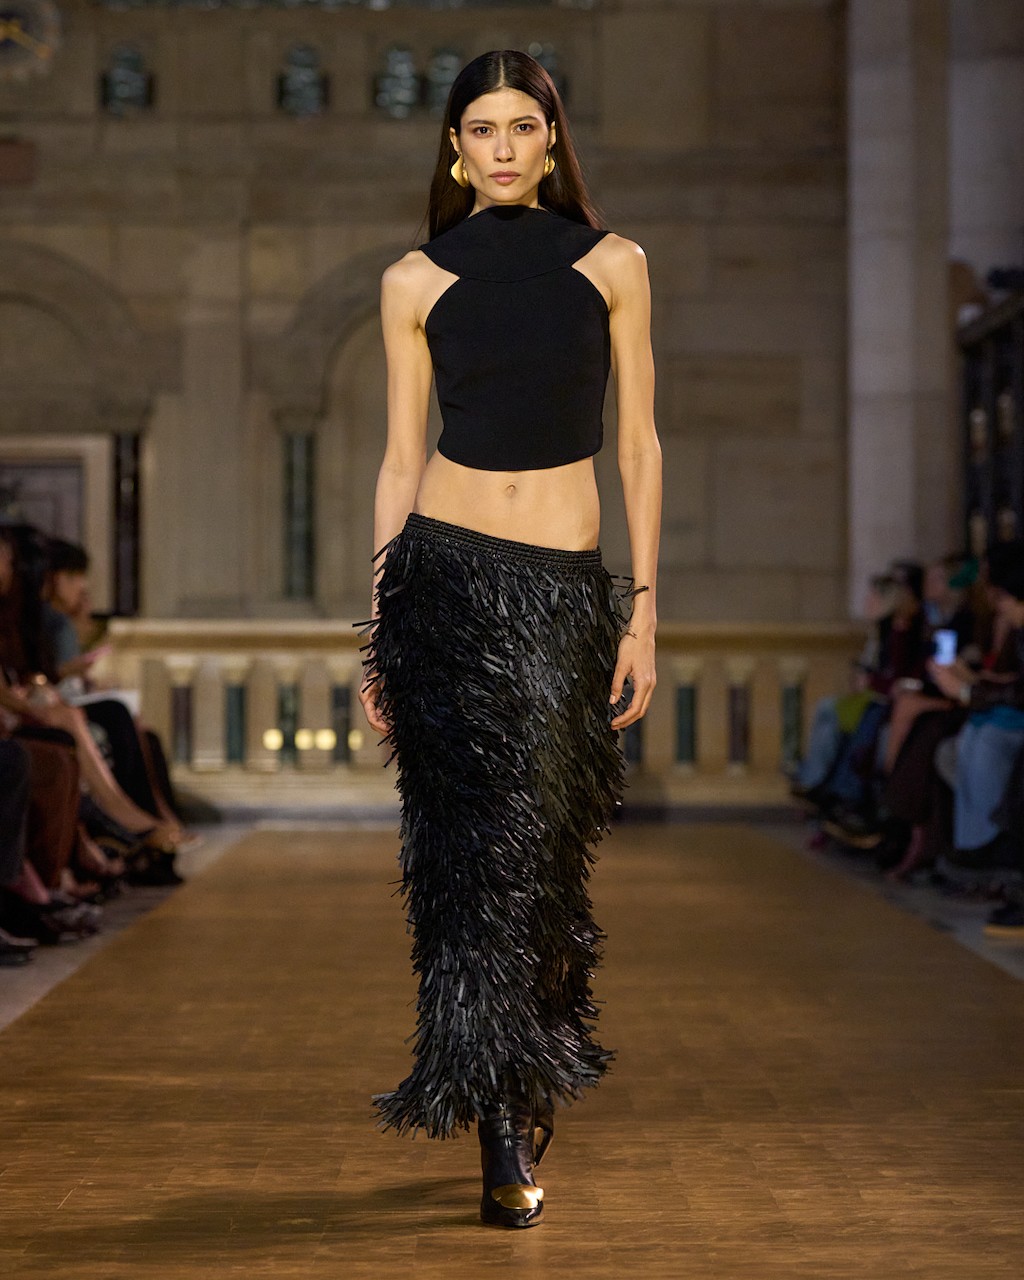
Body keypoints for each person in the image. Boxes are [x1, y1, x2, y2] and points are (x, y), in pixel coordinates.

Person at [357, 49, 661, 1229]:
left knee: (546, 853)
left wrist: (645, 608)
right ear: (453, 148)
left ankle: (530, 1058)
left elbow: (638, 444)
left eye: (520, 126)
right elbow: (398, 459)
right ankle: (493, 1110)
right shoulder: (412, 279)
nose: (499, 146)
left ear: (549, 141)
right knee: (466, 855)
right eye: (479, 127)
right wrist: (380, 627)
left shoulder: (614, 263)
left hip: (566, 596)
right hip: (444, 580)